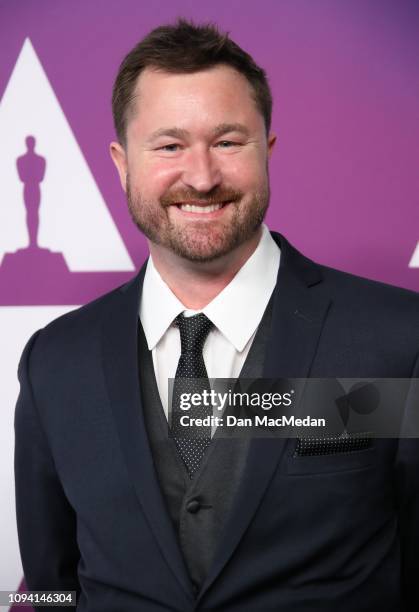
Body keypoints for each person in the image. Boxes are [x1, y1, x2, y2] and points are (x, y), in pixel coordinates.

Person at [15, 19, 419, 612]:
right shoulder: (55, 362)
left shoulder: (397, 342)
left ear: (268, 151)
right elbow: (49, 588)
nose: (201, 177)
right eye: (169, 145)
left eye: (228, 142)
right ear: (122, 164)